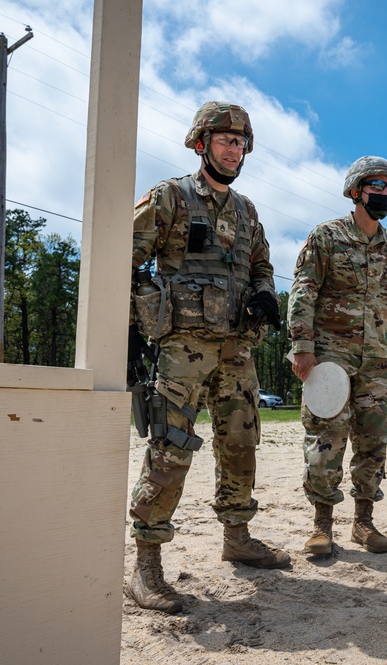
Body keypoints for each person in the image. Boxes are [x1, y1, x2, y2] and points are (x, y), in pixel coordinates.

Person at [126, 101, 289, 614]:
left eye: (240, 143)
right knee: (171, 447)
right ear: (201, 144)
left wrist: (264, 293)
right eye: (224, 140)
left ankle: (237, 537)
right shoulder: (169, 197)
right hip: (182, 350)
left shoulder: (247, 212)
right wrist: (128, 331)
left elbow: (263, 266)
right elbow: (122, 256)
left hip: (236, 350)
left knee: (241, 444)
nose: (234, 149)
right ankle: (146, 566)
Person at [288, 155, 387, 556]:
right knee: (325, 441)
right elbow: (303, 292)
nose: (382, 193)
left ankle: (363, 524)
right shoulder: (326, 237)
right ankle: (321, 527)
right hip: (329, 360)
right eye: (374, 186)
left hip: (377, 364)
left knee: (374, 443)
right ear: (354, 192)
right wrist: (302, 347)